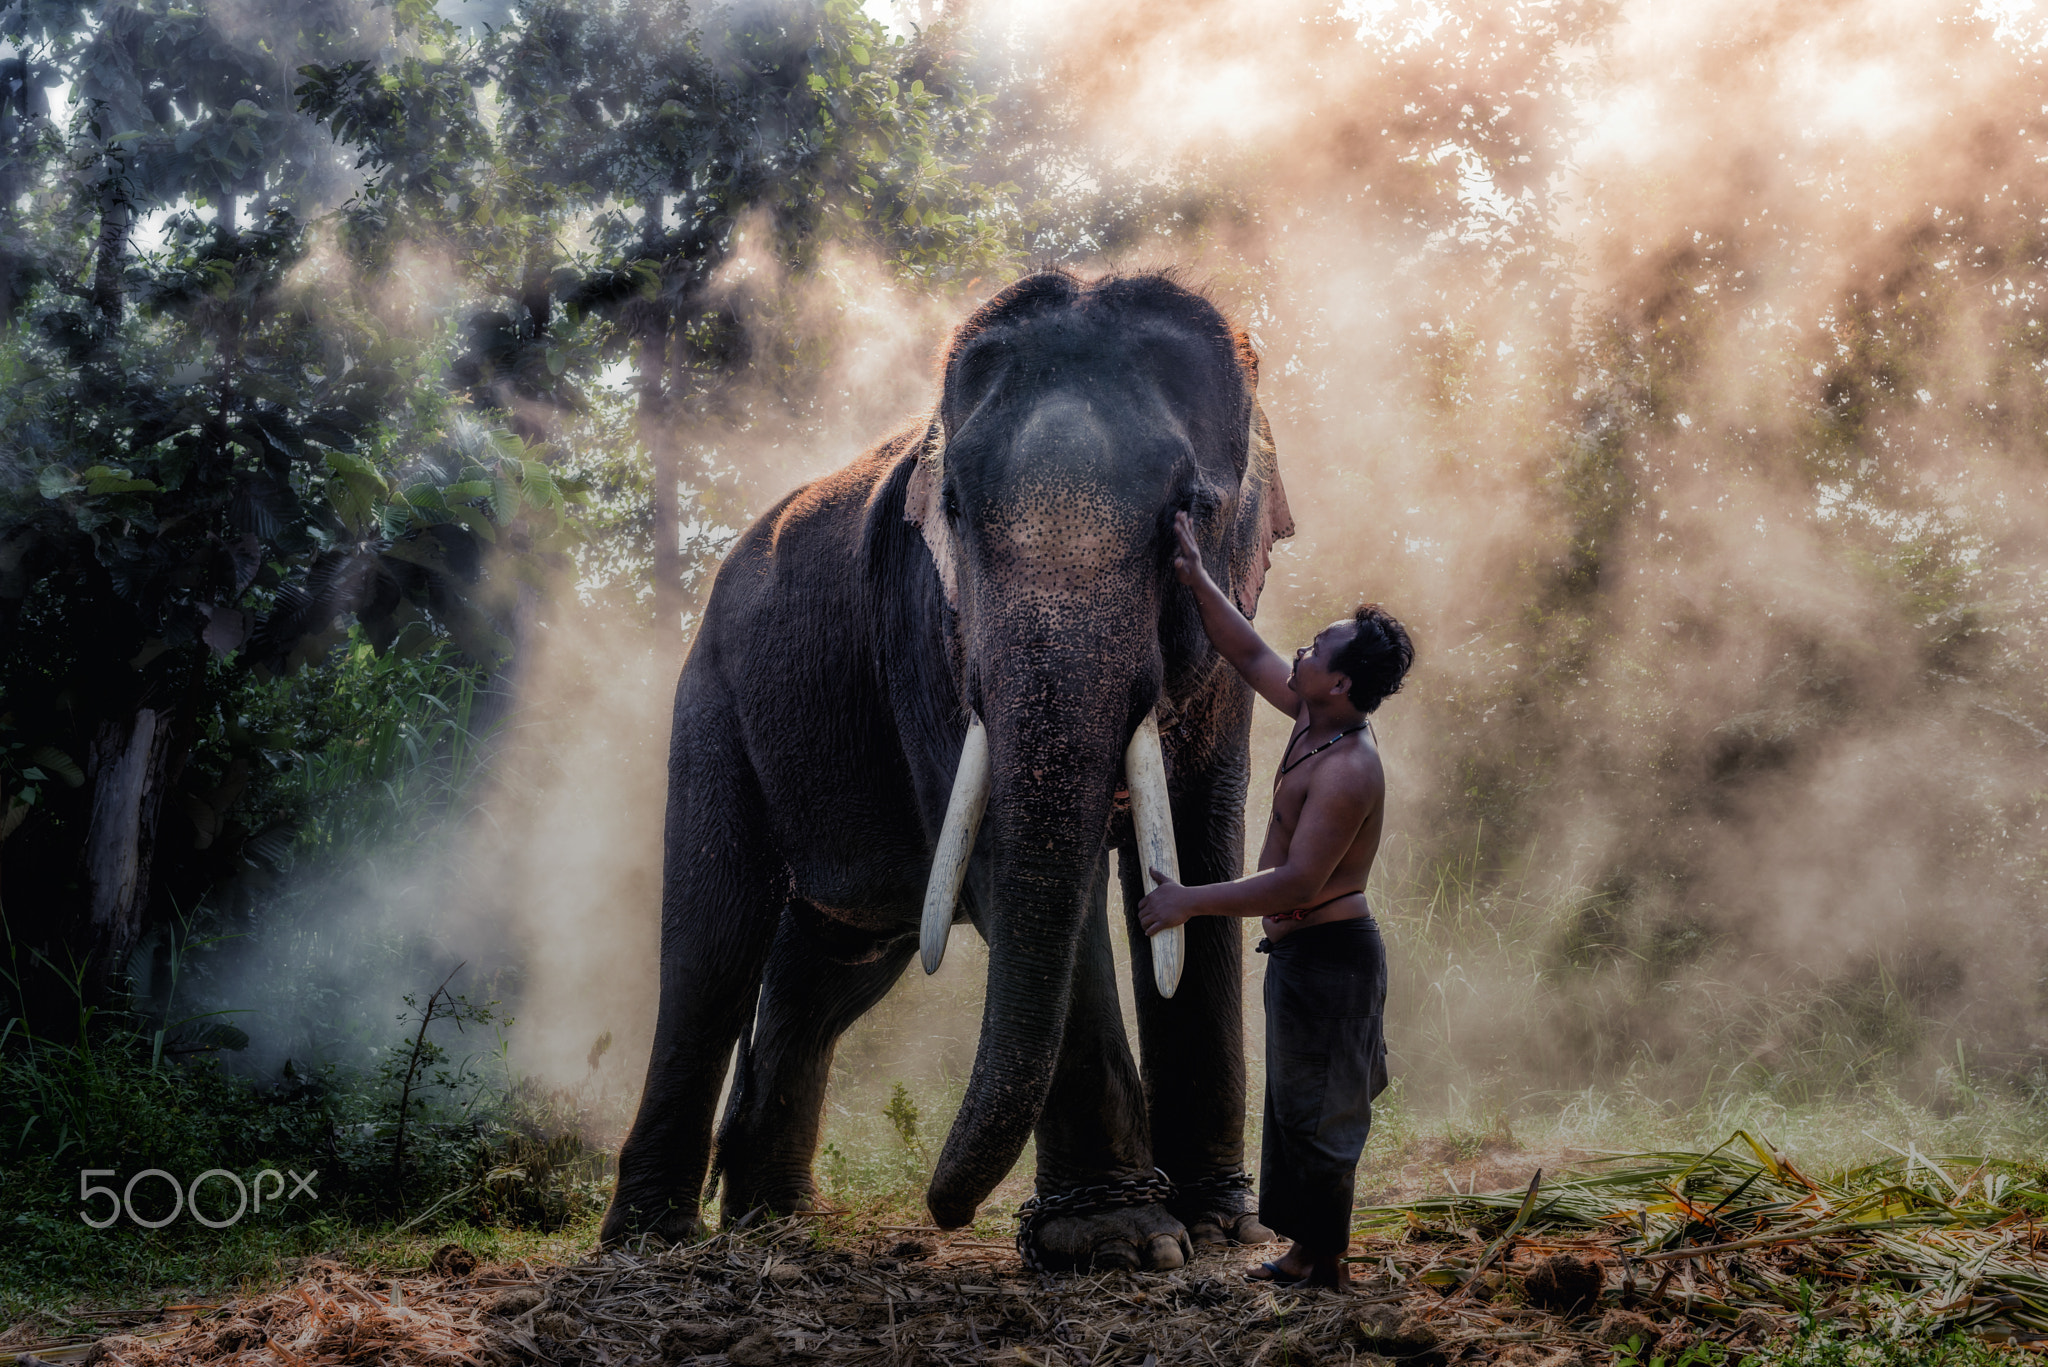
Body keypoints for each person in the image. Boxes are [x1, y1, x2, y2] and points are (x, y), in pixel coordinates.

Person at [1137, 510, 1414, 1290]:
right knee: (1295, 1106)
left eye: (1317, 649)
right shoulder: (1310, 717)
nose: (1300, 650)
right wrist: (1194, 575)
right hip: (1301, 956)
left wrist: (1189, 900)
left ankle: (1325, 1263)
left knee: (1323, 1114)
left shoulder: (1349, 766)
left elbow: (1299, 881)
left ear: (1342, 680)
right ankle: (1303, 1251)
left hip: (1332, 958)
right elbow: (1248, 648)